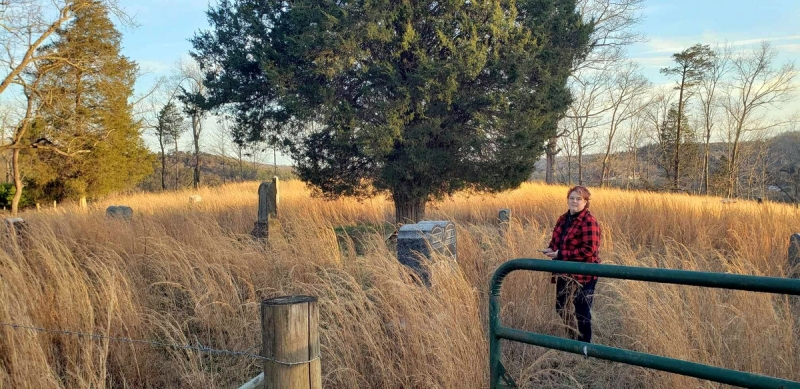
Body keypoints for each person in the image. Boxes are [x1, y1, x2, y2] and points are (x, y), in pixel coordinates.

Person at [541, 185, 601, 343]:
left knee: (582, 311)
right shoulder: (563, 218)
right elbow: (556, 240)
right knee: (561, 307)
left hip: (584, 274)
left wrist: (561, 254)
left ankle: (585, 345)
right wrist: (551, 249)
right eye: (572, 198)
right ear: (567, 199)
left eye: (578, 199)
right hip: (563, 271)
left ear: (586, 202)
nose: (574, 201)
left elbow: (589, 250)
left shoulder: (590, 222)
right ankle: (574, 338)